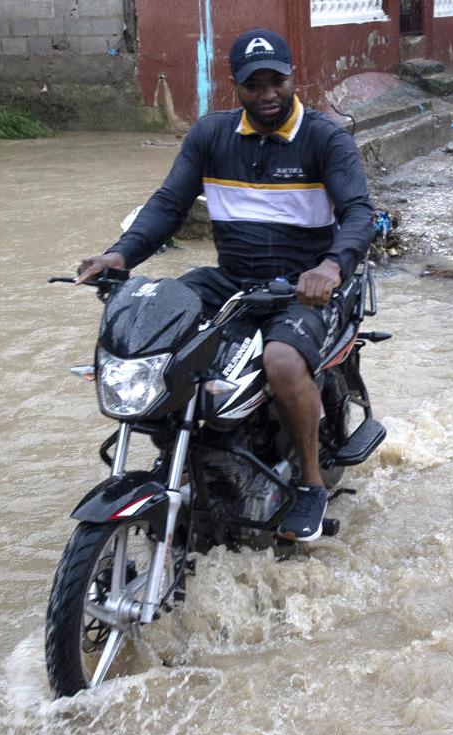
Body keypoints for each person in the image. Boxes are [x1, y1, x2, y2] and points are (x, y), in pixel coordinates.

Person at [74, 28, 374, 542]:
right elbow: (168, 204)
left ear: (290, 77)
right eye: (254, 85)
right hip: (230, 279)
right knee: (155, 320)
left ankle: (309, 482)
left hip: (300, 287)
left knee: (281, 361)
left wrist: (330, 267)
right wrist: (119, 254)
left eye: (276, 81)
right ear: (235, 86)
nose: (267, 94)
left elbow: (358, 214)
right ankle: (185, 454)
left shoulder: (326, 138)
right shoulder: (210, 136)